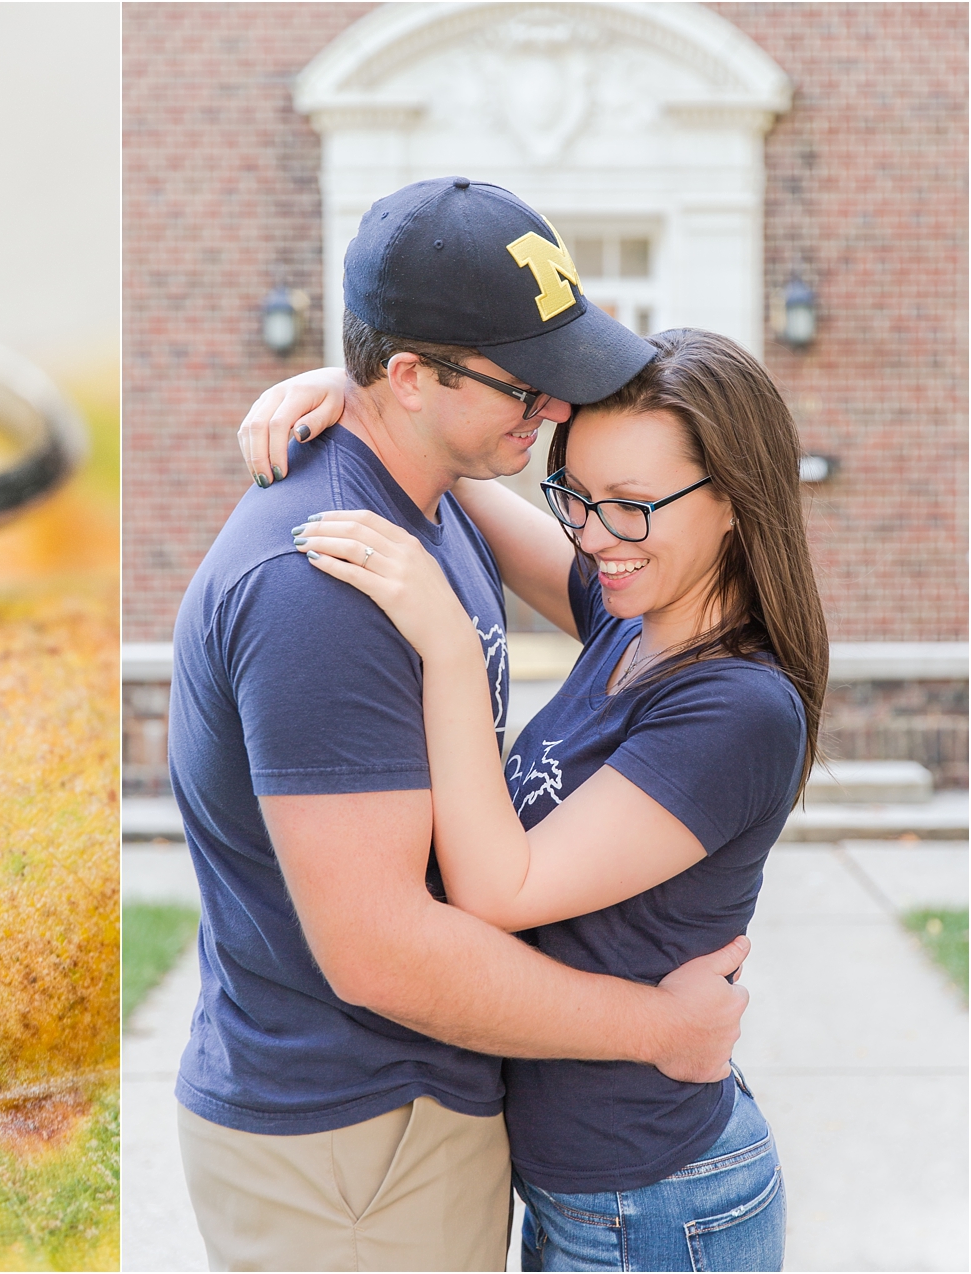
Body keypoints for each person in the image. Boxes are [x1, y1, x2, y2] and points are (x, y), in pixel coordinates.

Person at [166, 175, 753, 1272]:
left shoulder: (427, 512)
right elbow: (380, 953)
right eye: (524, 385)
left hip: (403, 1124)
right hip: (348, 1143)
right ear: (411, 375)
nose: (555, 412)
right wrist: (654, 1029)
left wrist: (350, 397)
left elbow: (614, 591)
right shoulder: (324, 586)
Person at [253, 326, 825, 1269]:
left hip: (659, 1206)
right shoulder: (631, 618)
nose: (597, 535)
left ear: (735, 500)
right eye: (579, 497)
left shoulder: (736, 708)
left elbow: (498, 886)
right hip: (591, 1192)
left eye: (634, 506)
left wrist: (445, 641)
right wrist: (359, 397)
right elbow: (458, 473)